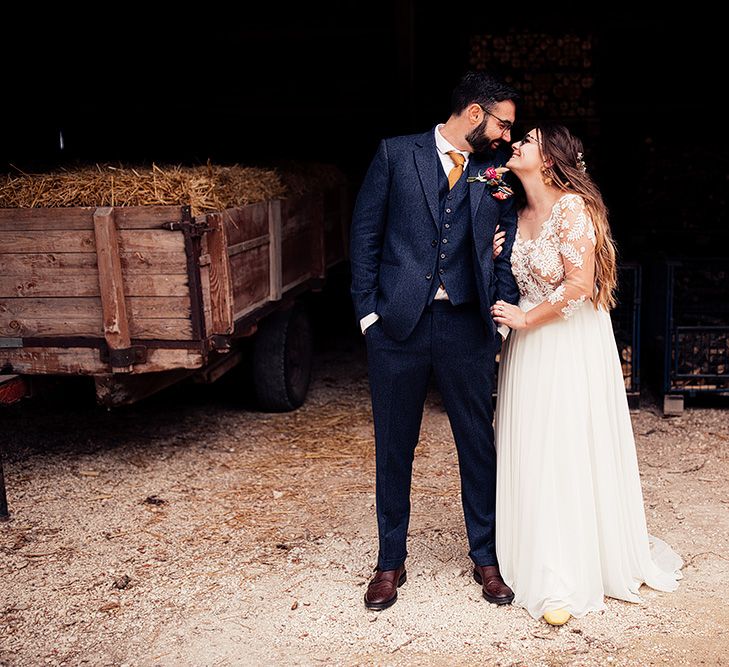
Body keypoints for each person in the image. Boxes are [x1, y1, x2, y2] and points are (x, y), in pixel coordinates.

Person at [490, 123, 683, 626]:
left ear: (549, 159)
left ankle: (563, 571)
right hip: (526, 347)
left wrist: (526, 318)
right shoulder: (516, 212)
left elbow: (581, 283)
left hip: (565, 341)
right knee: (530, 444)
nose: (516, 144)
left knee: (563, 446)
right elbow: (519, 273)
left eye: (527, 140)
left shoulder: (571, 210)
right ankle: (525, 553)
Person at [349, 71, 520, 611]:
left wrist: (497, 307)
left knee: (477, 443)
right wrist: (367, 317)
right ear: (475, 113)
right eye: (503, 123)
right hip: (397, 327)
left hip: (466, 326)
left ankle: (486, 558)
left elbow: (511, 235)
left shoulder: (493, 172)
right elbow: (365, 236)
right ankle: (389, 562)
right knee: (395, 446)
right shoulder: (396, 154)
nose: (506, 136)